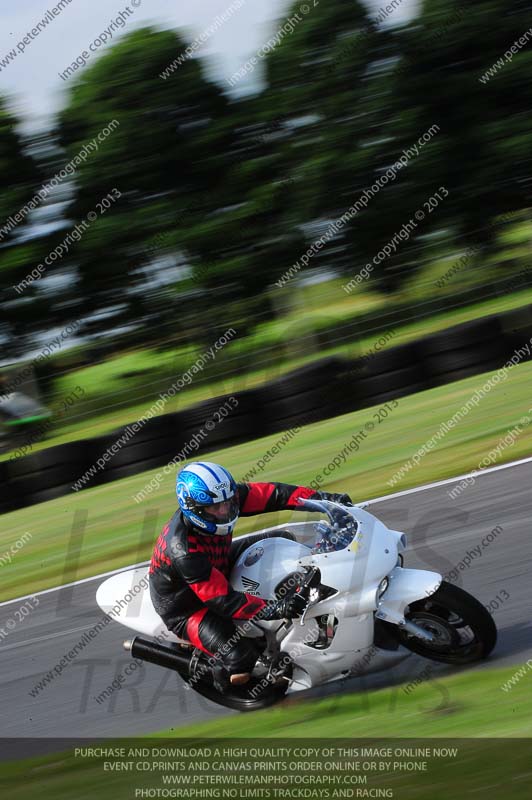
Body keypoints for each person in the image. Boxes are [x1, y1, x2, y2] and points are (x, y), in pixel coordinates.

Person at [149, 461, 352, 688]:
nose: (225, 511)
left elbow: (275, 494)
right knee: (240, 659)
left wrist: (324, 501)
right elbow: (223, 601)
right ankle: (219, 674)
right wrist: (279, 607)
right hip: (187, 606)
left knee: (282, 539)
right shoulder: (183, 550)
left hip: (219, 562)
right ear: (194, 509)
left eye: (228, 503)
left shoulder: (225, 498)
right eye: (215, 508)